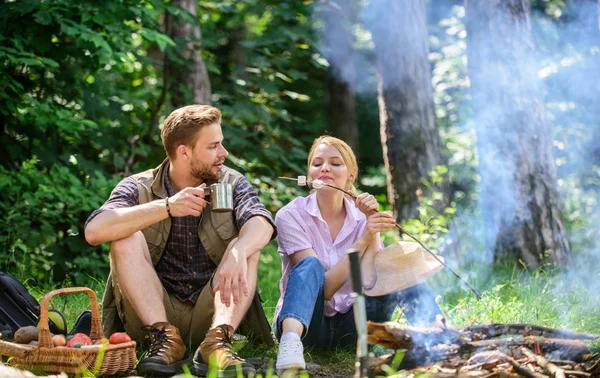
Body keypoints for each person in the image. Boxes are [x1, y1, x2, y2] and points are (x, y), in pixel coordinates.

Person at [84, 105, 276, 377]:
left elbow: (262, 223)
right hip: (152, 315)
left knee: (247, 244)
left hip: (213, 311)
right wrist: (166, 207)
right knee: (124, 237)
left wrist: (238, 250)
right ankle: (166, 340)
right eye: (213, 146)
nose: (224, 153)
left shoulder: (232, 182)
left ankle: (217, 343)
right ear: (184, 152)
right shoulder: (138, 186)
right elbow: (95, 230)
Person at [273, 136, 443, 371]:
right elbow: (326, 290)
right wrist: (363, 238)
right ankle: (289, 345)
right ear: (310, 174)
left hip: (353, 326)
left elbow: (369, 282)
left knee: (402, 266)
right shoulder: (289, 216)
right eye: (317, 163)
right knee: (310, 264)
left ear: (350, 174)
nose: (325, 168)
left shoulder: (361, 215)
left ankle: (436, 336)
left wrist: (371, 230)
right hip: (307, 325)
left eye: (335, 163)